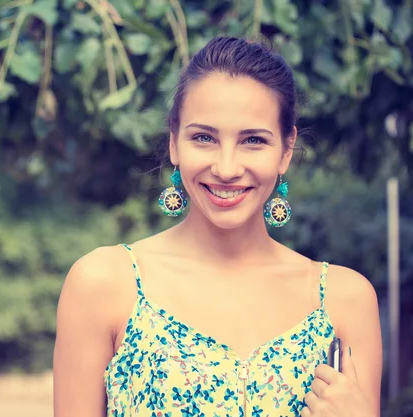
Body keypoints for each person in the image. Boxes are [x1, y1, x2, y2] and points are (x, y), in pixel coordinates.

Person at [53, 37, 382, 417]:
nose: (226, 168)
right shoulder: (104, 284)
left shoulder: (344, 300)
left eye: (253, 140)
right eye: (204, 138)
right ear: (175, 142)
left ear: (286, 151)